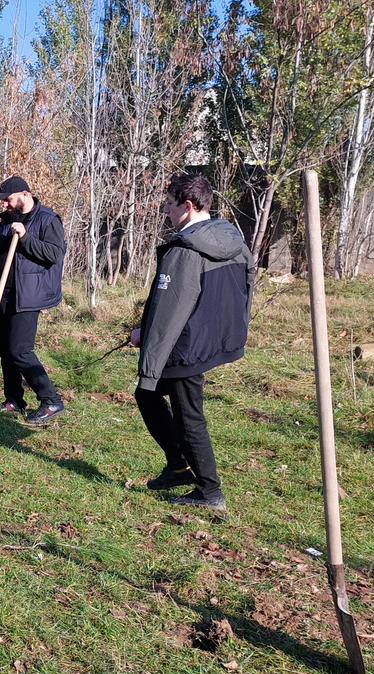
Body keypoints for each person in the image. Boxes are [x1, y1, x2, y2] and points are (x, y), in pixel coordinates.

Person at [131, 172, 255, 511]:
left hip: (185, 345)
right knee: (147, 395)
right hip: (211, 338)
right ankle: (177, 465)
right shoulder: (232, 240)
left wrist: (148, 350)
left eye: (170, 206)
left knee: (188, 415)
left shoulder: (184, 251)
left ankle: (209, 491)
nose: (166, 212)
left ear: (187, 206)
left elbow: (169, 308)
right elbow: (247, 290)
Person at [0, 175, 67, 425]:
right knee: (5, 350)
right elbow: (2, 255)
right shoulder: (7, 221)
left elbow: (54, 255)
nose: (4, 204)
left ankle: (51, 400)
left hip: (28, 296)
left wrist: (25, 237)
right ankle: (14, 400)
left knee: (20, 351)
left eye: (8, 199)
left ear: (25, 194)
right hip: (3, 294)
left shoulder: (48, 219)